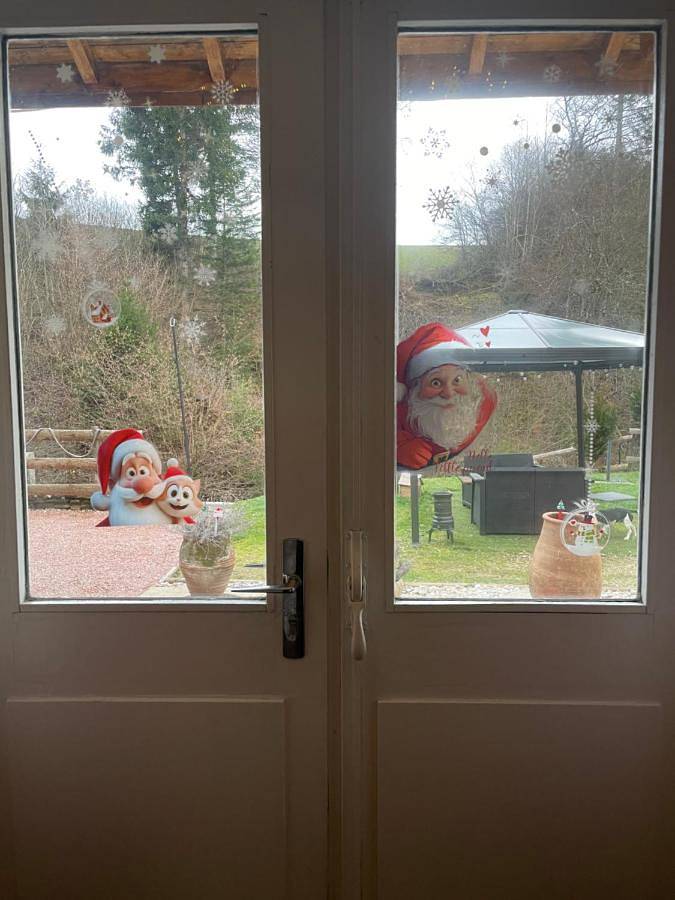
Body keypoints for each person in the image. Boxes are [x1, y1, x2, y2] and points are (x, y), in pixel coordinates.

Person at [396, 322, 497, 470]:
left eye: (457, 380)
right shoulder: (396, 418)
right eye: (436, 383)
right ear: (416, 391)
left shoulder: (482, 404)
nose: (448, 393)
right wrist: (396, 449)